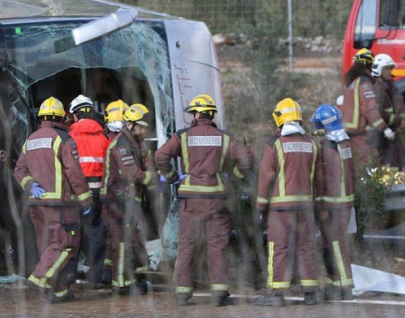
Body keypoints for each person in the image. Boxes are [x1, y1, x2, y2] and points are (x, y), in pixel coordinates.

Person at [155, 94, 253, 307]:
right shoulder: (224, 137)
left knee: (188, 245)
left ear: (198, 114)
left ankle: (182, 293)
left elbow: (160, 156)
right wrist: (233, 178)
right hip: (216, 197)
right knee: (217, 245)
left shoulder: (183, 136)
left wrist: (172, 177)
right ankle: (219, 294)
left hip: (190, 199)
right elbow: (247, 158)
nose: (192, 117)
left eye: (193, 113)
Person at [13, 97, 93, 303]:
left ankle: (58, 291)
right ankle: (38, 278)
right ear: (61, 117)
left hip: (36, 203)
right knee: (66, 244)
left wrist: (30, 185)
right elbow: (74, 172)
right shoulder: (63, 138)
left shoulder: (30, 140)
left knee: (49, 247)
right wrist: (86, 199)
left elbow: (19, 171)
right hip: (60, 204)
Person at [256, 98, 320, 307]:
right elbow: (318, 179)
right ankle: (310, 291)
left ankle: (277, 292)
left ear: (279, 118)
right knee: (306, 246)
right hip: (306, 207)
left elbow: (266, 177)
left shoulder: (274, 144)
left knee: (279, 248)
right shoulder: (312, 144)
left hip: (281, 208)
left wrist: (260, 206)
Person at [102, 103, 158, 295]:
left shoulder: (136, 143)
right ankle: (120, 284)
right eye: (140, 126)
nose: (143, 130)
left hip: (129, 200)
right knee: (122, 243)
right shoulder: (122, 145)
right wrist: (152, 177)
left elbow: (145, 164)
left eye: (145, 127)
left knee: (133, 239)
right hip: (116, 200)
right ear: (130, 125)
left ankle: (135, 277)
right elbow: (131, 173)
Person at [311, 105, 356, 301]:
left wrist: (322, 206)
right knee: (331, 244)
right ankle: (332, 283)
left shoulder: (328, 148)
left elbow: (326, 180)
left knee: (336, 244)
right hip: (346, 202)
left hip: (333, 205)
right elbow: (351, 174)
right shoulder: (345, 143)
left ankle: (344, 286)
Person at [68, 94, 110, 287]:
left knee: (72, 234)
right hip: (98, 193)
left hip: (76, 192)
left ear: (74, 116)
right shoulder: (104, 138)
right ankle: (95, 277)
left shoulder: (69, 138)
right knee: (96, 233)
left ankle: (69, 275)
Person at [341, 48, 393, 167]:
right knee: (369, 165)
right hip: (361, 132)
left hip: (349, 131)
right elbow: (370, 108)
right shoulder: (365, 82)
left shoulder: (351, 81)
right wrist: (384, 128)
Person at [100, 99, 129, 279]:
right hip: (118, 195)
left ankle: (106, 270)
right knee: (119, 236)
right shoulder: (123, 143)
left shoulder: (105, 139)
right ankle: (118, 276)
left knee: (110, 235)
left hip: (104, 194)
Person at [371, 54, 405, 167]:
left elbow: (400, 106)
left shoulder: (392, 87)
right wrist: (397, 120)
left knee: (395, 164)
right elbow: (378, 112)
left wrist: (403, 122)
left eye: (390, 68)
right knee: (382, 164)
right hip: (381, 134)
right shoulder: (376, 88)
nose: (389, 71)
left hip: (394, 132)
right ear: (378, 69)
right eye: (386, 69)